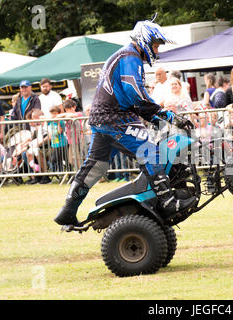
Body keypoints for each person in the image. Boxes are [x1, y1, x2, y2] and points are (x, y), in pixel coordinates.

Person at [54, 17, 197, 226]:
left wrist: (160, 119)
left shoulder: (124, 55)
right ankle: (167, 201)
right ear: (145, 40)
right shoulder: (130, 57)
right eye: (155, 45)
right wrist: (166, 115)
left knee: (95, 167)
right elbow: (136, 95)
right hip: (116, 118)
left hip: (102, 118)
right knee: (152, 154)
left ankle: (67, 210)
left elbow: (135, 101)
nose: (156, 51)